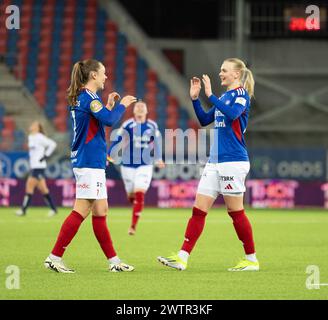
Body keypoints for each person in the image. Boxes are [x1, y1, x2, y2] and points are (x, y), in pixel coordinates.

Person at [158, 58, 259, 271]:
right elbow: (205, 119)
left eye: (224, 70)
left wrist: (210, 94)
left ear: (236, 75)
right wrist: (195, 99)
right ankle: (182, 257)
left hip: (233, 161)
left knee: (236, 212)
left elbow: (233, 114)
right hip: (215, 162)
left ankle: (251, 260)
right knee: (198, 210)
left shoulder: (241, 95)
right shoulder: (225, 96)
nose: (220, 73)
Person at [44, 59, 137, 273]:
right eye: (103, 73)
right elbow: (110, 120)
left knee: (101, 210)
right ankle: (54, 257)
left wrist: (111, 106)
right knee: (82, 209)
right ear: (94, 75)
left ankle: (114, 263)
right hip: (89, 162)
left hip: (91, 160)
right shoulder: (89, 97)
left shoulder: (86, 97)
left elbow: (101, 120)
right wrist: (123, 104)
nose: (106, 76)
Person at [107, 100, 165, 235]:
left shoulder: (152, 125)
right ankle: (136, 205)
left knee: (140, 193)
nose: (139, 108)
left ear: (146, 111)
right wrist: (110, 153)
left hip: (145, 165)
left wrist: (158, 158)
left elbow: (156, 142)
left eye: (142, 107)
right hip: (127, 165)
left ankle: (133, 226)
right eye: (137, 107)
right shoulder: (127, 124)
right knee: (131, 196)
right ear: (133, 111)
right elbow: (118, 139)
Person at [16, 121, 57, 217]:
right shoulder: (31, 137)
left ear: (38, 128)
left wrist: (46, 156)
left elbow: (53, 144)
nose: (32, 125)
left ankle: (23, 210)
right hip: (35, 166)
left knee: (29, 186)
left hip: (39, 166)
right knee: (44, 189)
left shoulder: (40, 137)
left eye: (34, 125)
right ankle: (53, 209)